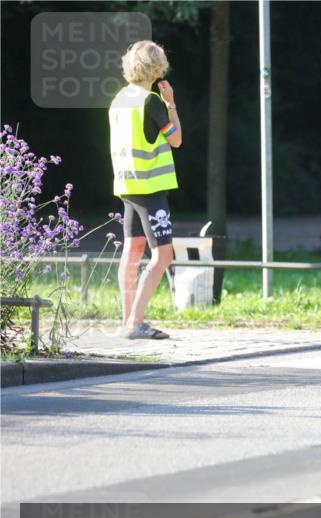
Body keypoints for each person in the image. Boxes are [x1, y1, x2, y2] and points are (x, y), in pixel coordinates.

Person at [109, 40, 183, 340]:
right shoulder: (150, 101)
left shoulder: (119, 100)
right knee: (163, 255)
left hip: (127, 184)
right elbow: (175, 139)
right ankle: (136, 323)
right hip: (151, 188)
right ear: (157, 68)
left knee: (132, 251)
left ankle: (126, 319)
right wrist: (171, 104)